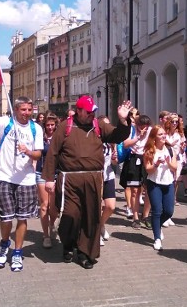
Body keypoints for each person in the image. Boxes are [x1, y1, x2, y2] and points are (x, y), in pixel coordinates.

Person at [42, 96, 132, 269]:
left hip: (93, 178)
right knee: (70, 215)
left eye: (94, 112)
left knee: (91, 217)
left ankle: (85, 253)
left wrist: (122, 120)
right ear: (79, 110)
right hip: (69, 180)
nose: (92, 114)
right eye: (89, 112)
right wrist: (49, 179)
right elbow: (53, 152)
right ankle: (68, 243)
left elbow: (118, 135)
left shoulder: (98, 126)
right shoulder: (65, 127)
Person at [0, 85, 44, 272]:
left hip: (26, 180)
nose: (27, 113)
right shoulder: (5, 123)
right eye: (23, 110)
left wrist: (28, 151)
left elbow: (38, 154)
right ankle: (4, 243)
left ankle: (17, 252)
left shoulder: (35, 128)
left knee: (22, 219)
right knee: (6, 218)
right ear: (16, 109)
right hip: (5, 177)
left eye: (30, 110)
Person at [143, 125, 177, 251]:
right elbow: (148, 170)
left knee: (169, 211)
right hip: (154, 183)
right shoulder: (150, 150)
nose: (163, 136)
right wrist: (156, 164)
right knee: (157, 210)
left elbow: (175, 168)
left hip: (168, 183)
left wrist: (168, 162)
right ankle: (157, 237)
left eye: (164, 134)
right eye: (160, 134)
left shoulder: (170, 149)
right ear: (154, 137)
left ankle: (156, 225)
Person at [119, 114, 152, 229]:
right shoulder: (131, 130)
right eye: (141, 126)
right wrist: (138, 137)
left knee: (148, 190)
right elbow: (126, 144)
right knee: (134, 191)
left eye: (146, 126)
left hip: (147, 159)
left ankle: (146, 216)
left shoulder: (151, 131)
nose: (144, 129)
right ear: (137, 125)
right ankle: (135, 218)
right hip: (134, 160)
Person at [37, 112, 60, 248]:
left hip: (57, 173)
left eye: (52, 125)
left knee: (54, 206)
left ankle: (52, 224)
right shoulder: (41, 138)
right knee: (44, 205)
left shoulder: (60, 137)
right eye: (48, 125)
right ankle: (46, 236)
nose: (50, 127)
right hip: (41, 173)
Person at [98, 115, 118, 247]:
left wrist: (114, 158)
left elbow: (115, 162)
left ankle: (101, 224)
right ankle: (95, 233)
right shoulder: (94, 139)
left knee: (110, 206)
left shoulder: (112, 141)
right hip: (96, 175)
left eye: (108, 124)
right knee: (98, 206)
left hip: (108, 174)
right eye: (104, 125)